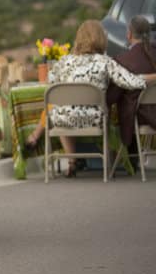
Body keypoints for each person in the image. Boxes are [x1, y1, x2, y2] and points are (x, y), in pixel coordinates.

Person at [24, 20, 147, 177]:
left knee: (61, 107)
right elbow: (132, 82)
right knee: (106, 111)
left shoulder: (64, 61)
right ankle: (109, 165)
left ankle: (72, 162)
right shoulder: (106, 62)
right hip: (95, 119)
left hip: (62, 119)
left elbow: (51, 81)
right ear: (102, 38)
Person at [106, 15, 156, 157]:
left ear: (129, 34)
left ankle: (130, 158)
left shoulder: (123, 60)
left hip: (140, 116)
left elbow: (112, 97)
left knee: (126, 105)